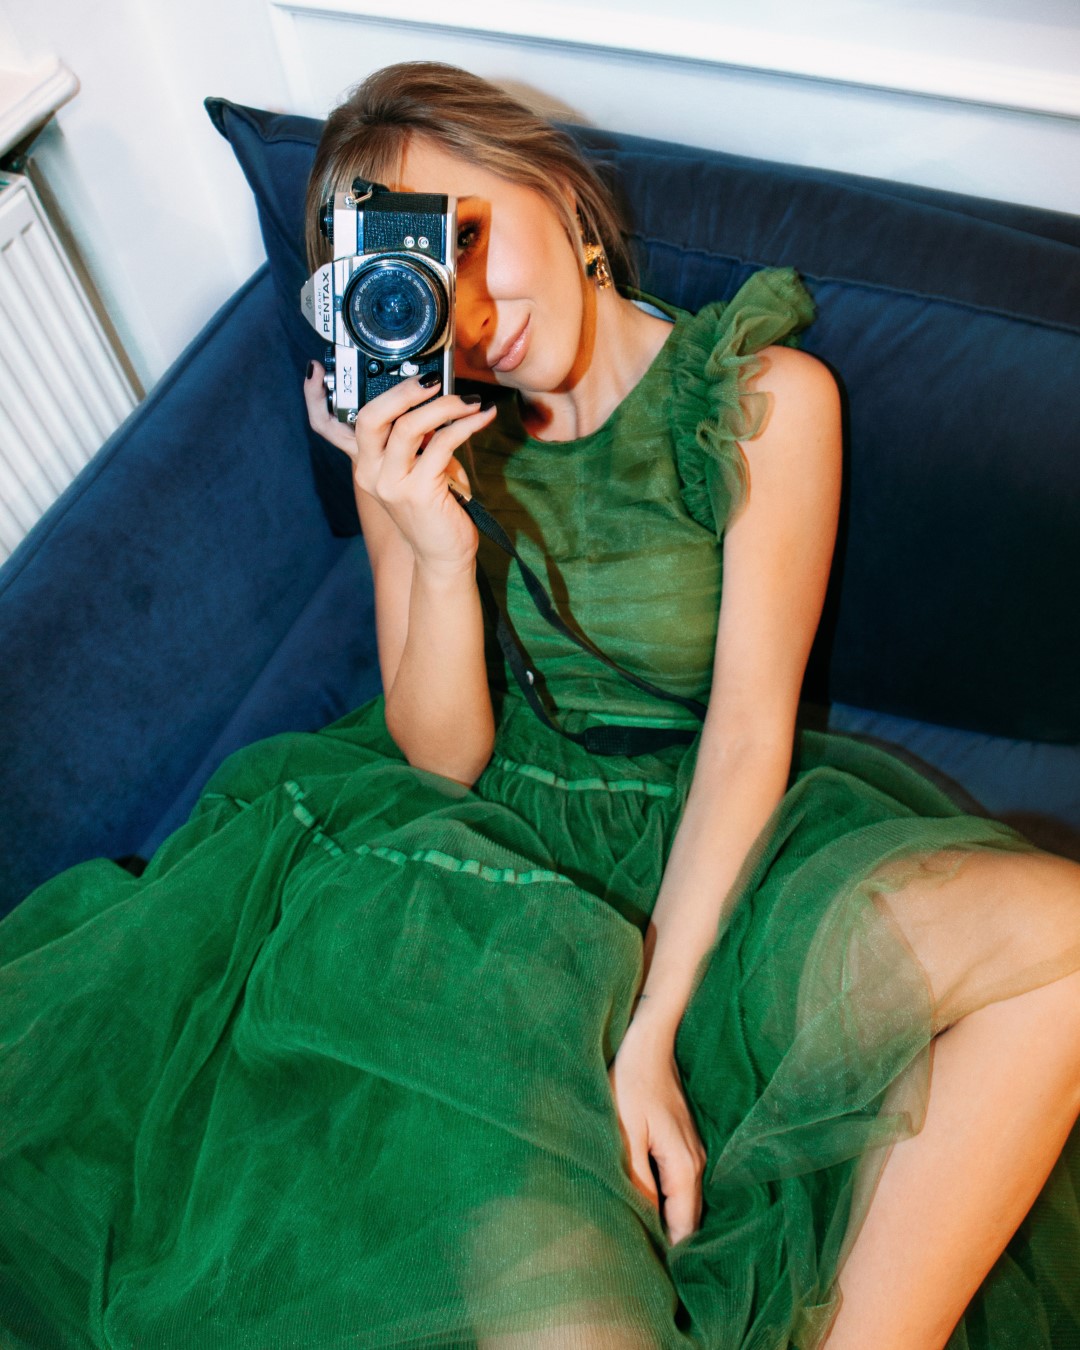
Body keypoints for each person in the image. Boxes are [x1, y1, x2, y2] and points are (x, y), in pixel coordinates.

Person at [1, 60, 1079, 1350]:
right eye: (412, 273)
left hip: (729, 843)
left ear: (558, 192)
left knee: (1063, 944)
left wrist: (653, 1026)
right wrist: (431, 543)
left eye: (465, 238)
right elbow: (439, 759)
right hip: (491, 882)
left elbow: (748, 733)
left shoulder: (762, 400)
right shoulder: (415, 433)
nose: (467, 314)